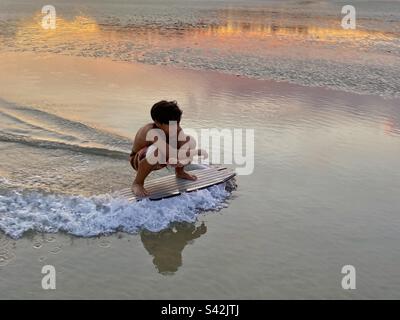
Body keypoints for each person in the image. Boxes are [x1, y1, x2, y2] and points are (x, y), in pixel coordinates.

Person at [130, 100, 206, 197]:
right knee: (157, 150)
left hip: (164, 156)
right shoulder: (151, 131)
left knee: (188, 140)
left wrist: (184, 159)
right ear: (158, 123)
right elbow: (168, 151)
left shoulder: (176, 128)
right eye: (171, 125)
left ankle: (180, 172)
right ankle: (137, 183)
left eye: (177, 123)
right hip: (139, 161)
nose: (176, 127)